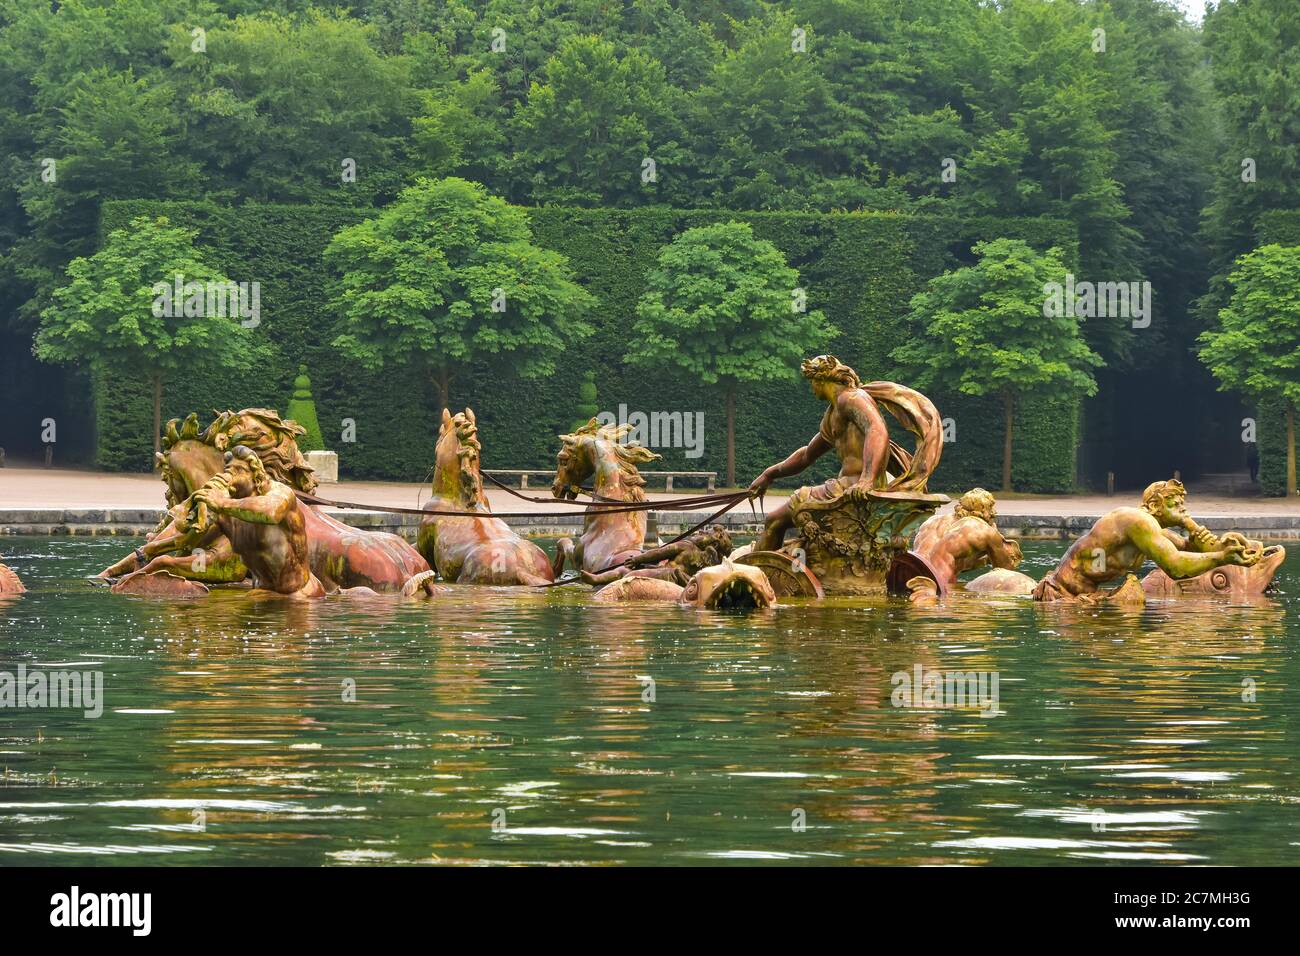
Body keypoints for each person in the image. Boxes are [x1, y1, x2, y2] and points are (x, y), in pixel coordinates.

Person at [134, 445, 324, 598]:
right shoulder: (227, 513)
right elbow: (189, 539)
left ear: (255, 474)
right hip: (263, 594)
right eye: (228, 470)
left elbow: (270, 512)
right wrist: (153, 550)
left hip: (298, 598)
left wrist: (221, 502)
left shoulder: (280, 493)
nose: (230, 475)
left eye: (239, 470)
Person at [747, 355, 892, 552]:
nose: (812, 388)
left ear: (820, 380)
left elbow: (877, 428)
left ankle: (757, 576)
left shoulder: (851, 398)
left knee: (773, 520)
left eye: (812, 382)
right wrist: (769, 474)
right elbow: (807, 454)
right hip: (849, 487)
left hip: (852, 489)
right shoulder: (833, 413)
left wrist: (867, 479)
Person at [1032, 478, 1257, 602]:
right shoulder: (1137, 521)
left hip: (1087, 595)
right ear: (1154, 506)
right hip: (1061, 595)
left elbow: (1189, 550)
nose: (1183, 508)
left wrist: (1227, 543)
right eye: (1175, 504)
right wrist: (1221, 557)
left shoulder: (1156, 532)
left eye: (1183, 503)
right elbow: (1176, 567)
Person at [910, 488, 1022, 591]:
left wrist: (984, 560)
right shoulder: (983, 530)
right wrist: (997, 541)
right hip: (938, 584)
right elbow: (1005, 572)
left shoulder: (933, 521)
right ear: (985, 510)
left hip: (909, 572)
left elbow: (946, 558)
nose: (994, 512)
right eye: (991, 508)